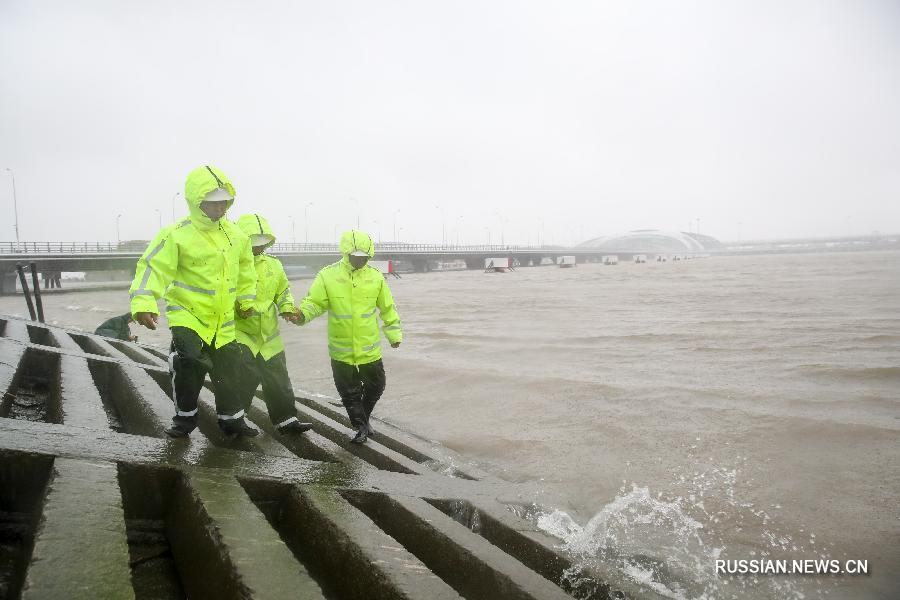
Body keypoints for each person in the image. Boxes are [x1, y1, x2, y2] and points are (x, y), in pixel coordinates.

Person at [129, 165, 259, 439]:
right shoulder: (176, 234)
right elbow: (153, 268)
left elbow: (247, 270)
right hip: (187, 314)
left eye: (224, 201)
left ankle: (231, 419)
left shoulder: (237, 236)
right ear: (196, 201)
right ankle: (185, 419)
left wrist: (246, 300)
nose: (220, 207)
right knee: (188, 362)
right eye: (213, 202)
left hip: (222, 321)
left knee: (230, 368)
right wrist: (144, 302)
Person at [295, 230, 402, 444]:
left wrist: (394, 334)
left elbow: (387, 308)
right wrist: (301, 315)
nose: (361, 261)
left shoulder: (375, 276)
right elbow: (315, 303)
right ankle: (361, 426)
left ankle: (363, 419)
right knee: (350, 393)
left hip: (369, 349)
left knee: (377, 386)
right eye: (357, 257)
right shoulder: (328, 275)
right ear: (346, 254)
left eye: (365, 257)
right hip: (341, 349)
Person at [233, 213, 313, 435]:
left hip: (269, 336)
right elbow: (220, 294)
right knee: (244, 376)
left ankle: (286, 420)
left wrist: (287, 308)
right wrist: (236, 308)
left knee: (278, 377)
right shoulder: (232, 264)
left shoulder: (274, 265)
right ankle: (235, 420)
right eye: (253, 244)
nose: (259, 248)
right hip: (241, 332)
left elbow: (283, 292)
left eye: (262, 244)